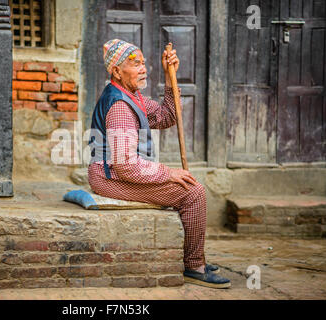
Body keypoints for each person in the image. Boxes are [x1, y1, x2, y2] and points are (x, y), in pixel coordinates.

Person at [88, 39, 231, 289]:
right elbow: (126, 166)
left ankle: (193, 259)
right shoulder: (120, 105)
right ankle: (194, 266)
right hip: (109, 177)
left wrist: (169, 76)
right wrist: (168, 173)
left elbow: (167, 116)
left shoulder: (134, 97)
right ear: (117, 71)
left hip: (118, 172)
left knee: (190, 189)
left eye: (143, 63)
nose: (143, 68)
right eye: (134, 64)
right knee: (193, 193)